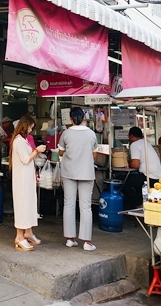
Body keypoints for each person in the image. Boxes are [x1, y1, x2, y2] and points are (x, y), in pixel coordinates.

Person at [58, 107, 98, 250]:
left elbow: (61, 152)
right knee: (86, 207)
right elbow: (94, 155)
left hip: (69, 172)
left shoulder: (66, 133)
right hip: (86, 173)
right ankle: (87, 242)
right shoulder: (91, 134)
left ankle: (70, 239)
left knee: (69, 204)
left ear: (70, 118)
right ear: (84, 118)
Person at [10, 114, 46, 251]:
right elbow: (25, 159)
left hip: (26, 179)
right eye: (30, 127)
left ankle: (28, 232)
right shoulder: (19, 141)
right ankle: (19, 237)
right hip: (22, 181)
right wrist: (37, 151)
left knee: (29, 206)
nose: (31, 130)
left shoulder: (22, 140)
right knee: (22, 207)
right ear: (25, 126)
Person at [125, 126, 161, 209]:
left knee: (123, 182)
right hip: (157, 176)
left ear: (131, 136)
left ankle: (137, 205)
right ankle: (140, 203)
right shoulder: (146, 143)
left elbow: (135, 164)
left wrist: (128, 162)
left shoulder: (135, 144)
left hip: (148, 177)